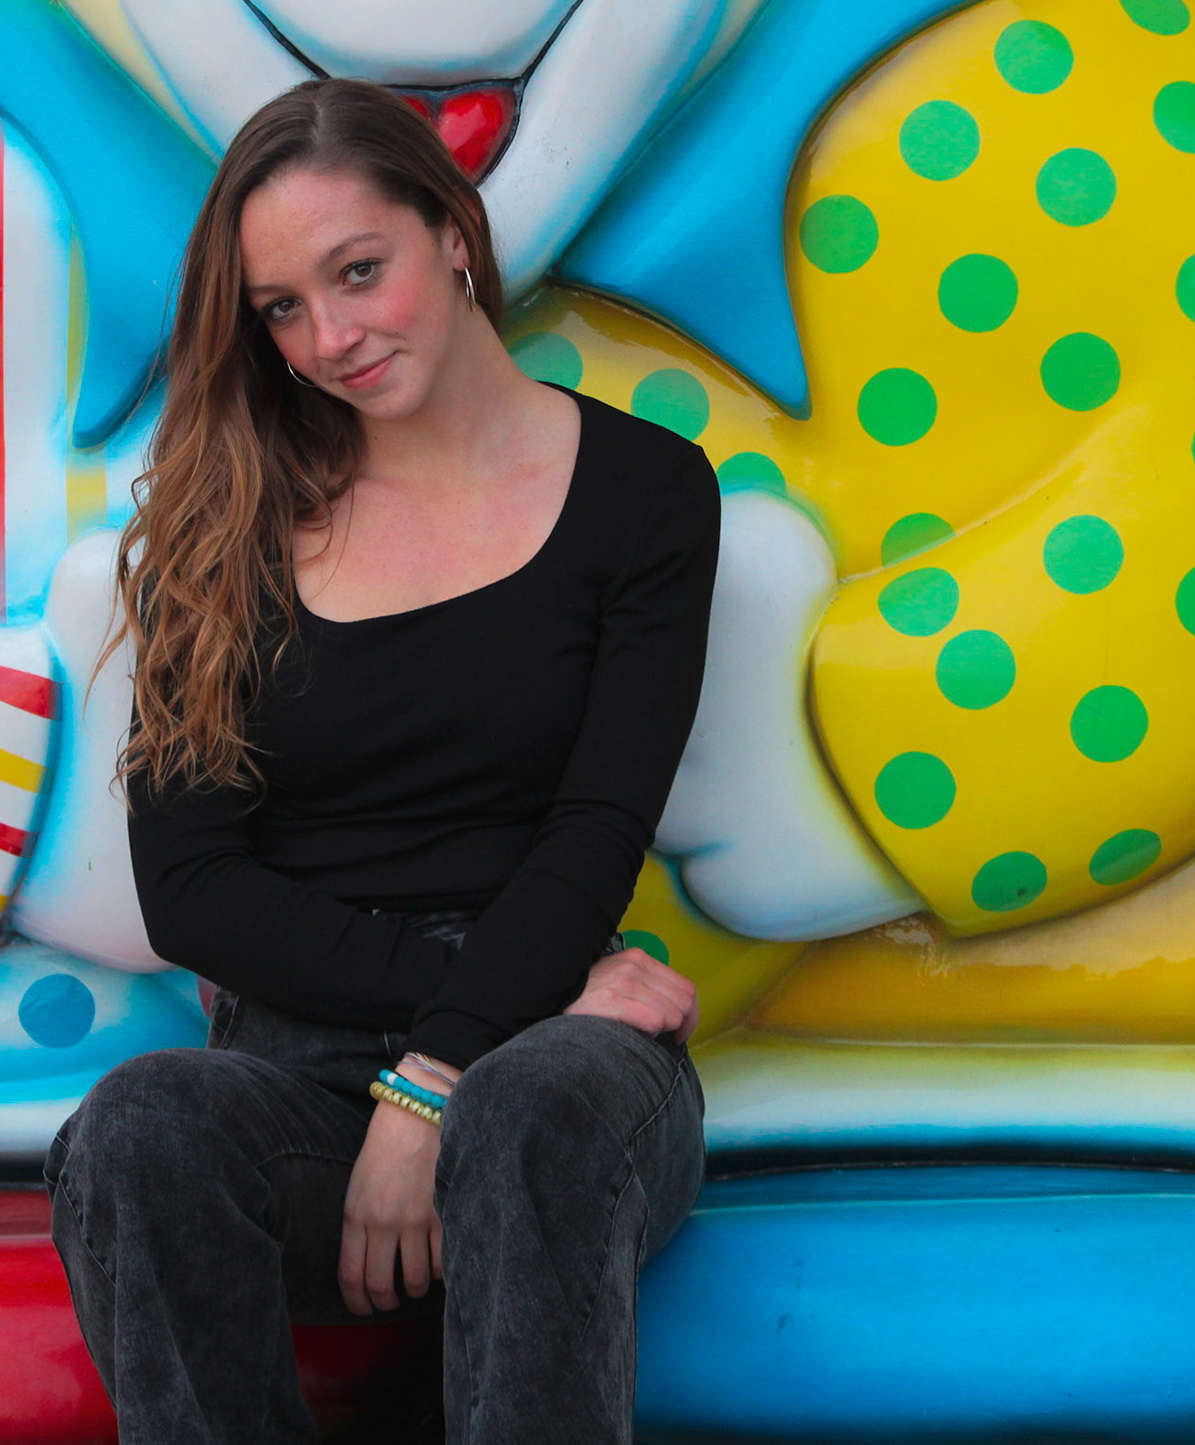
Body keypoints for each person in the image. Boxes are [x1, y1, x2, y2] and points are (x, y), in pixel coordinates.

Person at [44, 76, 719, 1444]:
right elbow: (192, 892)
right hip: (312, 1067)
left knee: (528, 1108)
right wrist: (432, 1047)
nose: (332, 337)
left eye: (359, 272)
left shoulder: (647, 493)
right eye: (283, 309)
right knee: (139, 1127)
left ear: (453, 232)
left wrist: (449, 1067)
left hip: (560, 1064)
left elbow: (595, 830)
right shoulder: (224, 528)